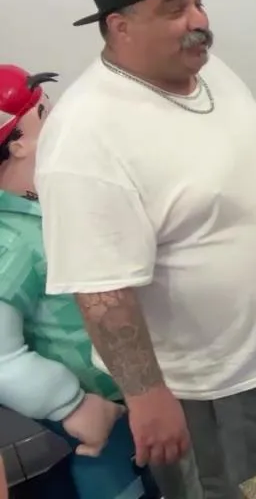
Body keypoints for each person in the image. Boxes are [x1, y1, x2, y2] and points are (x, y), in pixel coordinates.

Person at [35, 0, 256, 499]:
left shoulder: (206, 70)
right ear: (120, 26)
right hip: (215, 381)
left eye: (199, 2)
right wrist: (147, 396)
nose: (198, 20)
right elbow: (101, 288)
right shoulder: (85, 132)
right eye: (175, 8)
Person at [0, 65, 157, 499]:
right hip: (94, 392)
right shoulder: (9, 242)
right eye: (45, 115)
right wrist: (70, 404)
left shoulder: (45, 199)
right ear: (18, 143)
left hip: (124, 369)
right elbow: (1, 358)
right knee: (111, 459)